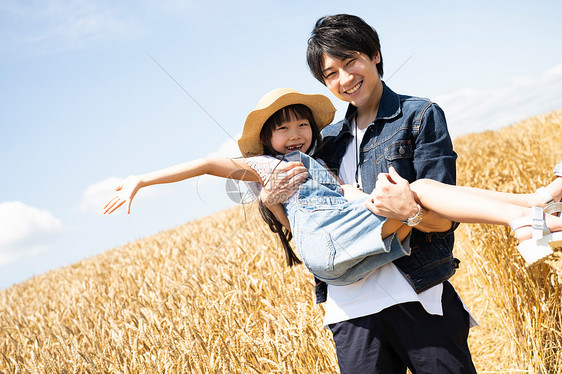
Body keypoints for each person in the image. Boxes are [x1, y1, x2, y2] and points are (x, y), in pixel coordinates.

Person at [257, 13, 562, 373]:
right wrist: (268, 199)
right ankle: (535, 207)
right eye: (331, 74)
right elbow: (309, 231)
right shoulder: (322, 144)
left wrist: (411, 214)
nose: (345, 79)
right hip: (351, 312)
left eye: (350, 61)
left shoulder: (418, 116)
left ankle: (533, 210)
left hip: (418, 294)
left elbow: (445, 218)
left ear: (375, 54)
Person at [104, 87, 562, 290]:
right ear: (267, 140)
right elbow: (205, 164)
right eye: (283, 129)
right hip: (328, 247)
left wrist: (375, 198)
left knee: (417, 190)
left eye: (302, 123)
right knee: (419, 188)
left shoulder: (319, 168)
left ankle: (534, 205)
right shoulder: (267, 166)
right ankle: (525, 212)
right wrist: (142, 179)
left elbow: (346, 198)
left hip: (341, 247)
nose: (296, 133)